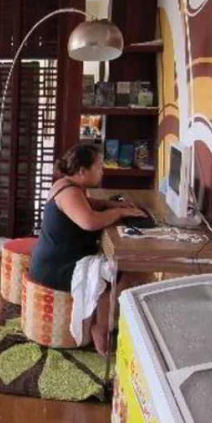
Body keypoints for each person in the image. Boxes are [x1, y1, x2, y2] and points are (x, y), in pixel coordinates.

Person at [30, 143, 147, 355]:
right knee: (118, 276)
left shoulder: (67, 185)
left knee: (113, 269)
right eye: (99, 167)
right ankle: (100, 329)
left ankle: (103, 321)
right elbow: (89, 222)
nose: (102, 171)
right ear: (82, 171)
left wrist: (112, 205)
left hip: (54, 260)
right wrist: (119, 213)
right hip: (57, 268)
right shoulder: (70, 192)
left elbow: (89, 203)